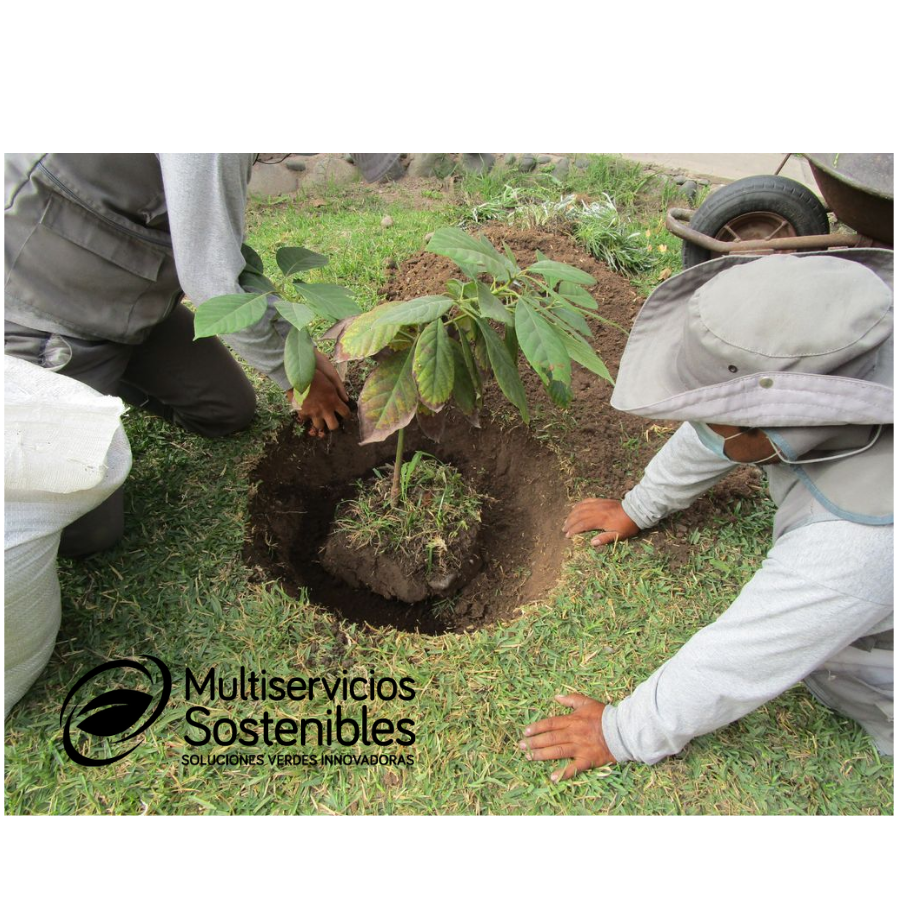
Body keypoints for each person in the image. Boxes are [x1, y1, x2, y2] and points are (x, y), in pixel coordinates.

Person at [521, 250, 894, 779]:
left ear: (766, 430)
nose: (697, 426)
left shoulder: (858, 540)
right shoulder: (852, 345)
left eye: (712, 418)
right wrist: (639, 507)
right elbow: (718, 434)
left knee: (850, 669)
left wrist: (622, 730)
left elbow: (748, 652)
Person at [4, 153, 398, 555]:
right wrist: (293, 375)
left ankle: (103, 380)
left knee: (227, 411)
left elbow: (219, 250)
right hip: (43, 302)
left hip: (131, 297)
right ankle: (46, 382)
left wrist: (298, 350)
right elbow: (211, 281)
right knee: (85, 534)